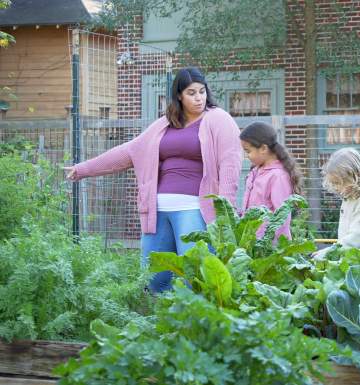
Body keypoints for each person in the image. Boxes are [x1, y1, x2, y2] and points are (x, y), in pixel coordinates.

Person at [65, 67, 242, 293]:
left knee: (196, 276)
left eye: (202, 91)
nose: (199, 98)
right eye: (191, 93)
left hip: (194, 209)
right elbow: (130, 151)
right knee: (153, 278)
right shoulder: (165, 124)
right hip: (157, 211)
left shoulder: (218, 119)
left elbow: (230, 163)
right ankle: (159, 325)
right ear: (179, 95)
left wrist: (224, 208)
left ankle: (196, 326)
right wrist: (83, 169)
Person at [313, 148, 360, 263]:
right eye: (334, 183)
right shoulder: (350, 196)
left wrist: (328, 253)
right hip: (350, 261)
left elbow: (355, 238)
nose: (337, 187)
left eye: (340, 183)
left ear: (355, 176)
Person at [240, 121, 302, 241]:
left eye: (248, 151)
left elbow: (282, 218)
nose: (247, 156)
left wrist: (268, 246)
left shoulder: (278, 176)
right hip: (252, 242)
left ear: (263, 148)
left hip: (269, 248)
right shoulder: (256, 170)